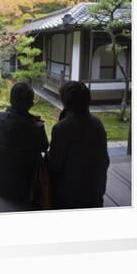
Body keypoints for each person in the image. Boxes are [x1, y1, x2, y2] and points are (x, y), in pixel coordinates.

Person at [46, 81, 110, 209]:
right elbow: (105, 160)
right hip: (95, 191)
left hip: (71, 197)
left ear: (66, 102)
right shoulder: (97, 124)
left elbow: (54, 165)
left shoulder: (62, 128)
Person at [0, 82, 49, 203]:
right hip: (23, 188)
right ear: (31, 103)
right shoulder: (36, 127)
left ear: (11, 99)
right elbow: (44, 147)